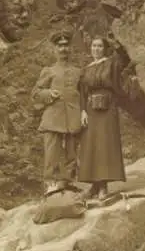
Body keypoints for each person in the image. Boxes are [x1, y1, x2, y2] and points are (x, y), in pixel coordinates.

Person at [78, 35, 133, 202]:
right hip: (91, 110)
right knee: (91, 146)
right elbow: (82, 93)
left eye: (100, 46)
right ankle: (94, 186)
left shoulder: (111, 64)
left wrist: (119, 46)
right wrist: (83, 111)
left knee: (105, 145)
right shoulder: (86, 69)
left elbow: (123, 65)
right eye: (94, 46)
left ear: (105, 49)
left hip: (108, 109)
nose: (96, 49)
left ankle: (103, 186)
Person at [31, 29, 81, 196]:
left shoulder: (77, 72)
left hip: (73, 118)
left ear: (70, 49)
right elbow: (35, 93)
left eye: (66, 46)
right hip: (53, 119)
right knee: (52, 154)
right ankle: (50, 185)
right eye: (60, 46)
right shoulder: (49, 71)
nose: (63, 49)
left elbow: (83, 93)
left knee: (71, 154)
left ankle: (68, 183)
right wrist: (48, 94)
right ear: (55, 49)